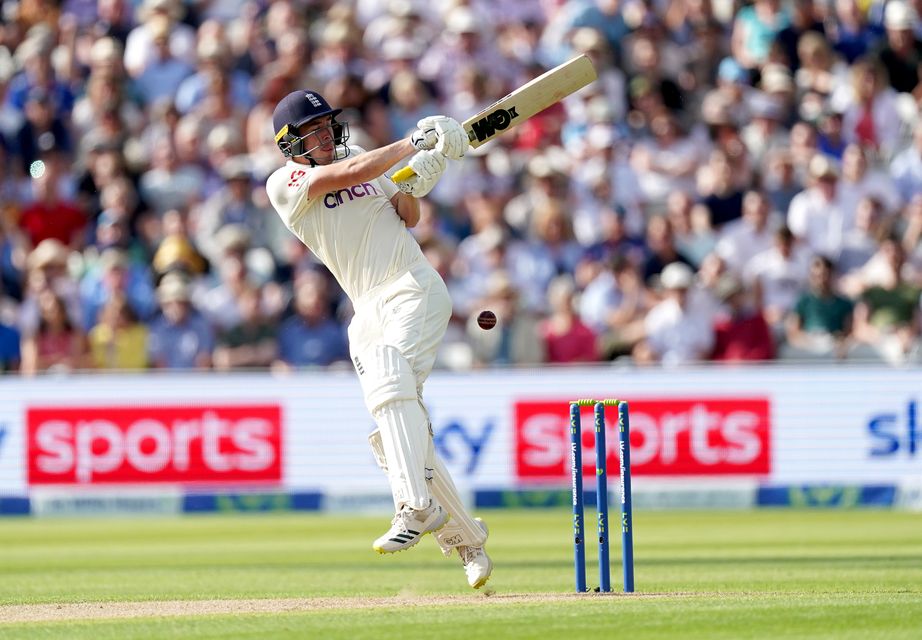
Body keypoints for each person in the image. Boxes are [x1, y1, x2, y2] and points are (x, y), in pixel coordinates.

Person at [264, 89, 492, 588]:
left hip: (413, 286)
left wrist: (421, 176)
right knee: (394, 433)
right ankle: (468, 539)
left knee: (392, 390)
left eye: (328, 127)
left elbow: (408, 217)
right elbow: (344, 177)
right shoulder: (284, 183)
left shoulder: (365, 163)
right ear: (290, 144)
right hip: (365, 308)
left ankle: (415, 506)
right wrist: (412, 145)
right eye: (313, 131)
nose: (325, 136)